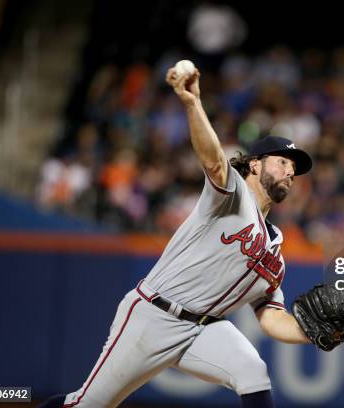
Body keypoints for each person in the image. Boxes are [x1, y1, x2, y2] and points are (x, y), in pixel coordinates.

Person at [39, 65, 313, 408]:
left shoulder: (275, 246)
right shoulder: (233, 195)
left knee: (252, 370)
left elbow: (271, 316)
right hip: (154, 315)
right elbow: (214, 161)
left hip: (203, 328)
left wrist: (311, 332)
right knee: (87, 405)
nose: (290, 171)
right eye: (283, 161)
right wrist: (192, 103)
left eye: (294, 168)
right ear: (255, 164)